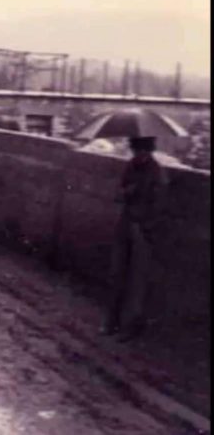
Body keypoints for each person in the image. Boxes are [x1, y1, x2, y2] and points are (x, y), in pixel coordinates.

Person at [101, 136, 168, 342]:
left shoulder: (157, 174)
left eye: (140, 151)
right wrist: (126, 191)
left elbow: (159, 207)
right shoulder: (131, 167)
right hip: (126, 223)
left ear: (149, 152)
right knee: (117, 274)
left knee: (136, 281)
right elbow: (118, 194)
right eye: (134, 150)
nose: (136, 155)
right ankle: (111, 322)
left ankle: (129, 328)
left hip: (141, 228)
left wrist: (145, 228)